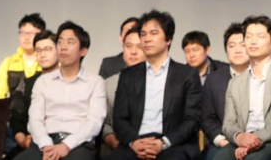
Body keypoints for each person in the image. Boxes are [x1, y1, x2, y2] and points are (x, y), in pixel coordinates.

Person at [108, 10, 202, 160]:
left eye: (153, 33)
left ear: (168, 39)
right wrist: (134, 142)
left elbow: (192, 120)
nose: (147, 39)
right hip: (136, 143)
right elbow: (119, 118)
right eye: (143, 34)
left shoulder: (187, 74)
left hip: (173, 144)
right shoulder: (128, 75)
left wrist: (163, 143)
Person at [14, 21, 105, 160]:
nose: (63, 47)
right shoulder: (42, 82)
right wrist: (46, 145)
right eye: (60, 42)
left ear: (83, 51)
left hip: (78, 145)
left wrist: (66, 145)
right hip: (44, 144)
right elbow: (35, 120)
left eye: (70, 42)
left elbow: (94, 122)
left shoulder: (95, 82)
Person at [217, 16, 271, 160]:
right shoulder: (235, 83)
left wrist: (253, 140)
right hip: (241, 141)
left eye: (260, 36)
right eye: (248, 37)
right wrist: (239, 136)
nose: (253, 41)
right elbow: (228, 124)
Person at [8, 30, 59, 160]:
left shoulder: (69, 81)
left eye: (47, 49)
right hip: (31, 142)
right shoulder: (27, 83)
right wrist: (23, 140)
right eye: (38, 50)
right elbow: (16, 116)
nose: (42, 54)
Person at [201, 23, 249, 160]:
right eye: (232, 46)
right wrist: (222, 141)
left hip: (255, 142)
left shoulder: (261, 76)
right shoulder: (213, 79)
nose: (237, 50)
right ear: (226, 50)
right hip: (223, 142)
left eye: (242, 45)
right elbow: (206, 117)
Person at [102, 26, 146, 157]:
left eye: (139, 47)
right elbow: (104, 122)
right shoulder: (108, 83)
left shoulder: (159, 81)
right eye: (128, 46)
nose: (133, 52)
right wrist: (114, 143)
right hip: (119, 146)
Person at [0, 13, 46, 99]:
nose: (26, 37)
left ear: (42, 35)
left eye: (31, 33)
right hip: (15, 107)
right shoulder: (9, 62)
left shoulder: (52, 62)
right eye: (23, 33)